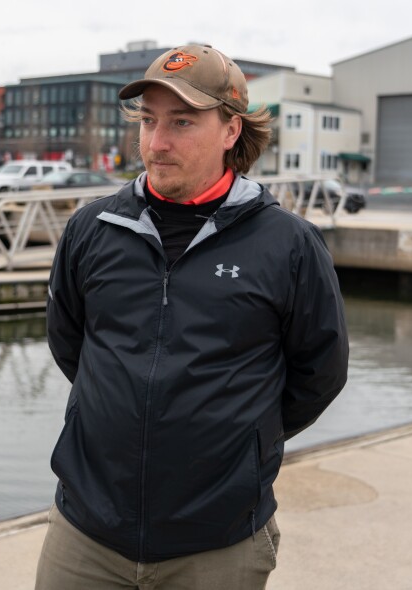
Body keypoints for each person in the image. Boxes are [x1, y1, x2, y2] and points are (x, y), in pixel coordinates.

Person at [37, 44, 349, 589]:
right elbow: (71, 345)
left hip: (217, 542)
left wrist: (240, 439)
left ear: (231, 131)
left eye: (181, 122)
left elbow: (319, 374)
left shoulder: (288, 245)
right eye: (149, 121)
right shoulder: (92, 229)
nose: (157, 143)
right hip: (85, 533)